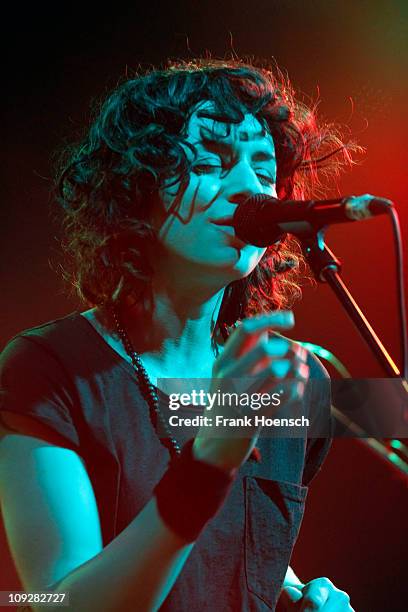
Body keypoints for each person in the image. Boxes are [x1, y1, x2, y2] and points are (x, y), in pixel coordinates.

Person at [0, 59, 355, 611]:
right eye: (213, 159)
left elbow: (236, 547)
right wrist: (207, 466)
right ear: (136, 182)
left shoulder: (290, 382)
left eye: (264, 171)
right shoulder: (44, 369)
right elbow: (53, 604)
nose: (248, 190)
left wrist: (297, 596)